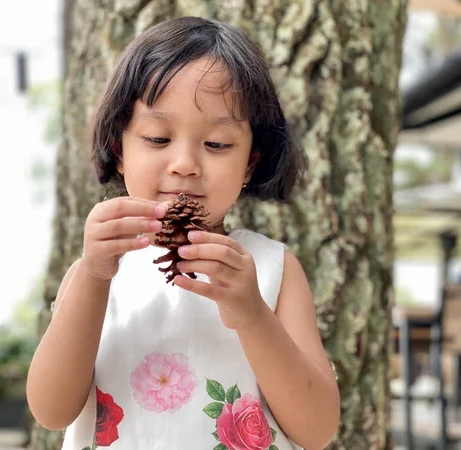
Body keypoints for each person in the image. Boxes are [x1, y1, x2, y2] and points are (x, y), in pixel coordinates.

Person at [27, 16, 340, 450]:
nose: (185, 164)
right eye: (157, 138)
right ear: (119, 150)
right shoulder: (96, 274)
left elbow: (318, 429)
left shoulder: (271, 270)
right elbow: (50, 410)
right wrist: (93, 277)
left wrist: (252, 314)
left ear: (250, 163)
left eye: (217, 144)